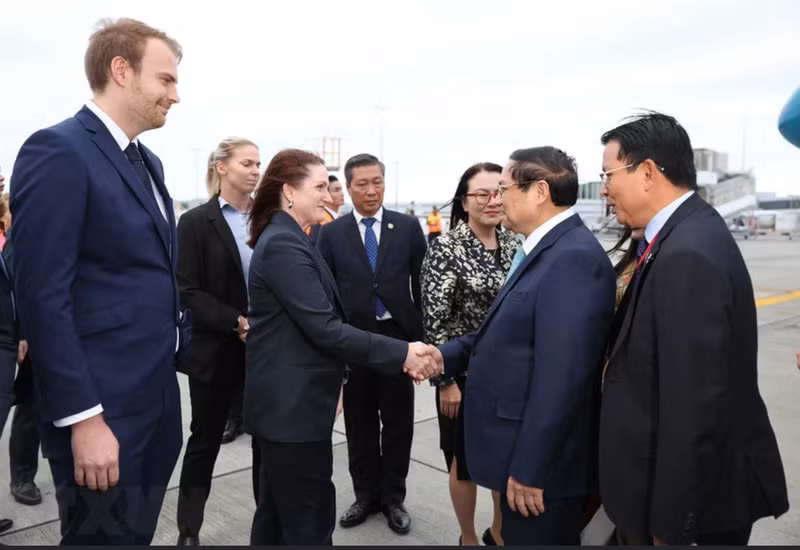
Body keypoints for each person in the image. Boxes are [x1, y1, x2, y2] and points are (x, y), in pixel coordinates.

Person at [9, 19, 190, 545]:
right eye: (166, 81)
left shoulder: (147, 161)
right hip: (102, 411)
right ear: (121, 71)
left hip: (155, 401)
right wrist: (83, 419)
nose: (176, 96)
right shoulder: (59, 150)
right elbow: (43, 296)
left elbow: (148, 274)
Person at [598, 112, 789, 545]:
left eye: (608, 175)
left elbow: (694, 404)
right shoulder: (677, 235)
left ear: (646, 172)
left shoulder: (689, 253)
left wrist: (674, 525)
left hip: (684, 511)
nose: (605, 190)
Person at [244, 148, 439, 546]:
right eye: (318, 187)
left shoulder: (291, 237)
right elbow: (326, 327)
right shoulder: (284, 243)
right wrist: (403, 353)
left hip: (291, 409)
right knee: (307, 522)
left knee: (277, 519)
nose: (328, 196)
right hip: (291, 412)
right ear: (289, 192)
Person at [427, 147, 616, 545]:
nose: (498, 199)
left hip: (539, 474)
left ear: (539, 191)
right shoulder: (543, 248)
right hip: (519, 455)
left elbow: (563, 380)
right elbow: (505, 333)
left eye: (504, 188)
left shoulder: (572, 258)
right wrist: (441, 355)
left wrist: (531, 469)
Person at [317, 154, 428, 535]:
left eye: (377, 181)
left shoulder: (409, 227)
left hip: (399, 342)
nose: (371, 190)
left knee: (399, 425)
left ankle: (393, 498)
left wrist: (422, 340)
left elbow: (422, 285)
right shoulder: (331, 234)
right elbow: (326, 292)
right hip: (355, 343)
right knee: (360, 424)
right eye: (362, 183)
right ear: (347, 188)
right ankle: (365, 495)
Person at [420, 162, 518, 546]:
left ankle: (497, 531)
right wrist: (444, 382)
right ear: (465, 200)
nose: (493, 201)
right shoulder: (446, 246)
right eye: (483, 194)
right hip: (461, 375)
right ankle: (467, 538)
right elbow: (434, 319)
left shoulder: (514, 242)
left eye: (500, 191)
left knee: (500, 456)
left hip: (506, 372)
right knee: (463, 465)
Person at [174, 137, 260, 545]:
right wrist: (235, 321)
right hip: (215, 348)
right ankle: (189, 529)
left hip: (265, 350)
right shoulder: (194, 223)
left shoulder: (270, 218)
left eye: (258, 163)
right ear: (222, 167)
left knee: (267, 439)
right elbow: (186, 289)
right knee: (204, 440)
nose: (256, 170)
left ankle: (269, 524)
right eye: (247, 162)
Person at [307, 174, 345, 244]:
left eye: (341, 189)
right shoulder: (319, 221)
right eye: (336, 190)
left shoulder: (338, 217)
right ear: (326, 193)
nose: (342, 194)